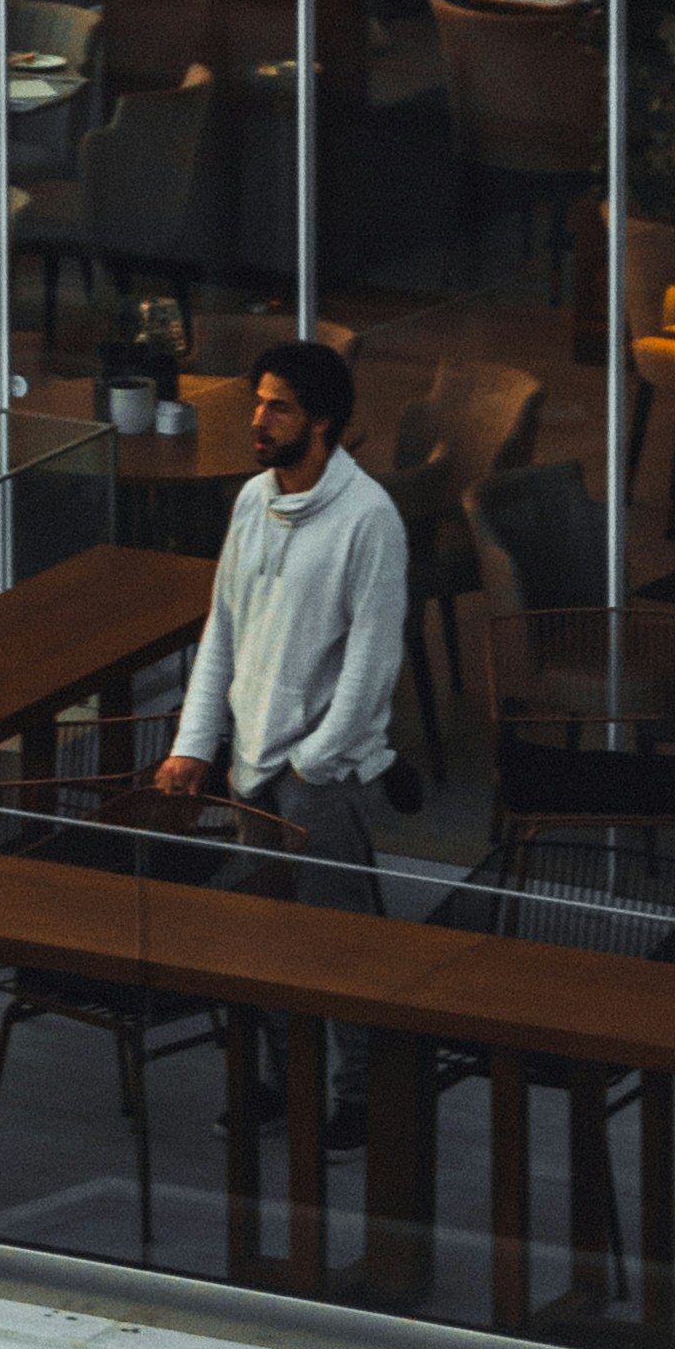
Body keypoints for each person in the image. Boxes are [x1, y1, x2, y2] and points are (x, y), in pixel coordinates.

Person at [158, 338, 406, 1145]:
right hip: (252, 764)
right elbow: (222, 633)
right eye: (258, 401)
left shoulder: (369, 519)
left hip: (317, 774)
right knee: (260, 937)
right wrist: (195, 744)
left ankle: (363, 1097)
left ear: (322, 421)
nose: (258, 420)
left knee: (338, 941)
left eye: (279, 407)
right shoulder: (250, 501)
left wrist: (311, 762)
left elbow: (372, 662)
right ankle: (275, 1085)